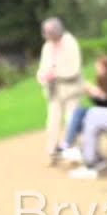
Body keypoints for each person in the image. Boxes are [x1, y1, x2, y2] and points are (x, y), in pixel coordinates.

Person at [35, 16, 83, 162]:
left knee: (71, 120)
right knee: (52, 122)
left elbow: (74, 69)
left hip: (71, 90)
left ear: (58, 31)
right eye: (46, 34)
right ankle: (52, 152)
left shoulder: (70, 43)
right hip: (53, 91)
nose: (48, 37)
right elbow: (42, 68)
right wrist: (42, 76)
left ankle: (73, 152)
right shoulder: (47, 46)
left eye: (50, 33)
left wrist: (56, 74)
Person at [58, 55, 107, 155]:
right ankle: (74, 145)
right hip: (106, 112)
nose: (97, 70)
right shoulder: (105, 80)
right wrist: (96, 94)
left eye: (98, 68)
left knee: (80, 114)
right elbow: (105, 102)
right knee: (79, 115)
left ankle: (69, 144)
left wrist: (95, 94)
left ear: (106, 68)